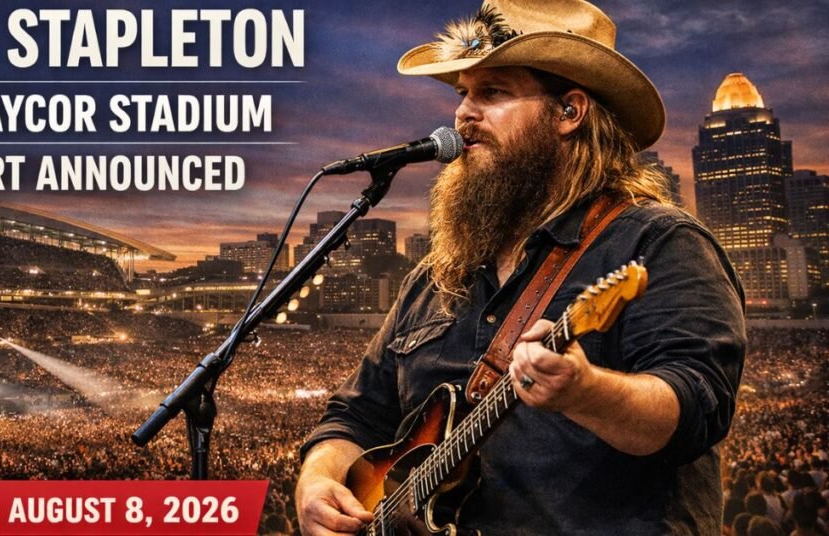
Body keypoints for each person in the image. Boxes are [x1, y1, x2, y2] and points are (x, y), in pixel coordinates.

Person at [295, 0, 746, 534]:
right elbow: (354, 416)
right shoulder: (435, 280)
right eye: (463, 93)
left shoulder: (658, 244)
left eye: (494, 92)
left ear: (569, 112)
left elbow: (697, 407)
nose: (463, 114)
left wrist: (587, 391)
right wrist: (316, 482)